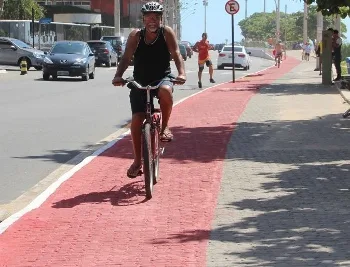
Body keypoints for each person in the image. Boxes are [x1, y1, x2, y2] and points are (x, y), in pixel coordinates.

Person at [112, 1, 186, 178]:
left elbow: (176, 53)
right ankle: (138, 161)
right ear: (143, 19)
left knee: (166, 91)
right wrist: (118, 75)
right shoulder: (136, 35)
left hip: (162, 78)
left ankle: (165, 127)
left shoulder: (166, 32)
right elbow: (126, 57)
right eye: (148, 17)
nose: (152, 20)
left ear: (161, 19)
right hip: (140, 80)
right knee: (137, 119)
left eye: (156, 17)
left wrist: (182, 73)